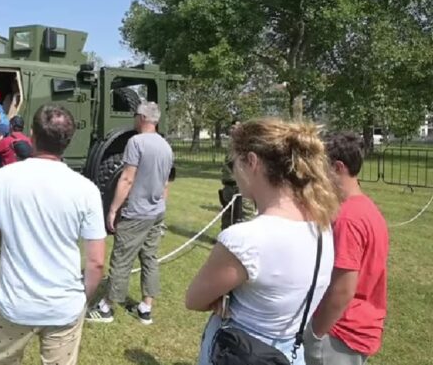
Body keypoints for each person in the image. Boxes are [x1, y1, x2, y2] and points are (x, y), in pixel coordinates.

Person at [185, 117, 341, 365]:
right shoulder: (321, 228)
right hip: (290, 353)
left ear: (252, 162)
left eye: (234, 162)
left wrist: (225, 297)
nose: (234, 171)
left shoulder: (245, 239)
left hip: (239, 353)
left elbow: (194, 299)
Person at [0, 104, 107, 365]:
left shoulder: (0, 180)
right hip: (63, 306)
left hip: (14, 303)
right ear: (68, 141)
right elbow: (96, 262)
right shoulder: (86, 189)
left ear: (32, 136)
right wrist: (83, 299)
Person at [85, 101, 174, 325]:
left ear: (142, 117)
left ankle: (107, 307)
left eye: (135, 115)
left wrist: (113, 209)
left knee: (121, 259)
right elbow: (166, 183)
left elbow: (126, 178)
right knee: (150, 259)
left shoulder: (136, 142)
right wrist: (161, 208)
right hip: (156, 212)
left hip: (137, 213)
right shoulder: (165, 145)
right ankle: (146, 308)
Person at [305, 132, 389, 365]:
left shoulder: (347, 219)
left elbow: (343, 289)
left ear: (338, 167)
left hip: (338, 333)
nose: (316, 176)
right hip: (358, 326)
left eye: (320, 168)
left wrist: (316, 332)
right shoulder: (366, 208)